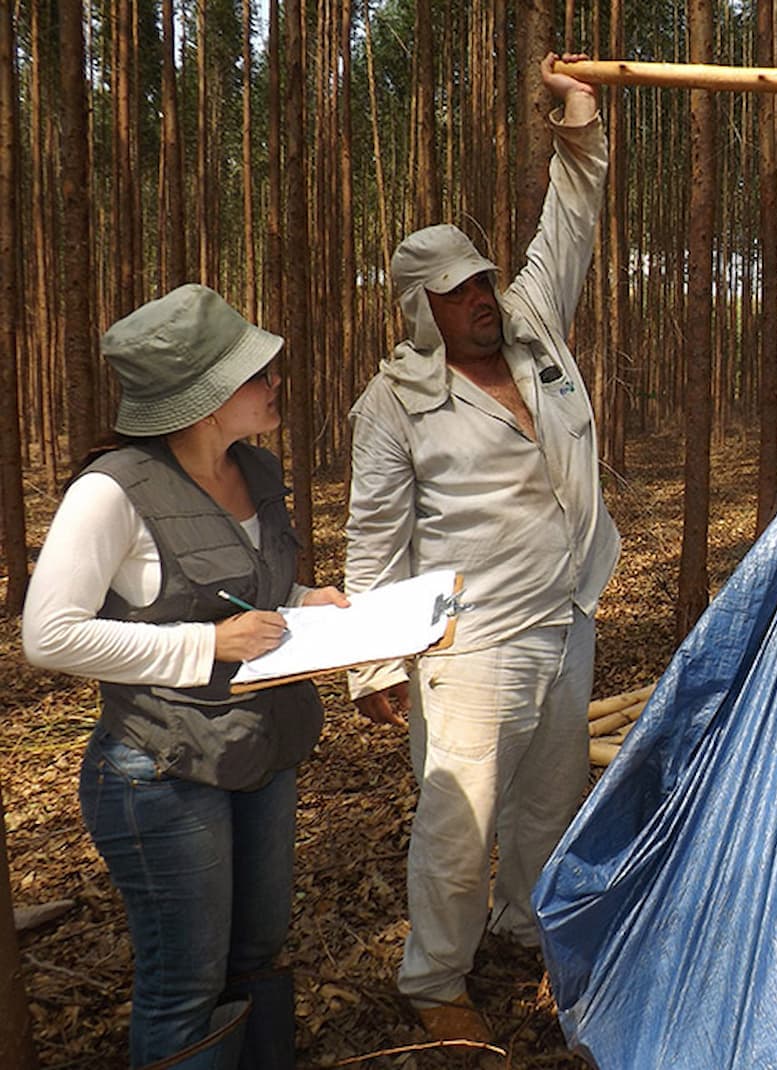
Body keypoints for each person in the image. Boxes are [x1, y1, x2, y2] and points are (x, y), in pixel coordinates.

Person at [343, 51, 618, 1047]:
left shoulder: (537, 329)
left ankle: (526, 929)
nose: (481, 299)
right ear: (421, 308)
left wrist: (579, 125)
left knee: (549, 805)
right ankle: (434, 977)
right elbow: (372, 533)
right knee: (459, 823)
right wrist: (373, 659)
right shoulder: (396, 401)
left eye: (483, 279)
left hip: (564, 618)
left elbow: (571, 220)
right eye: (457, 292)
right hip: (468, 645)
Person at [22, 284, 349, 1069]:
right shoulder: (112, 492)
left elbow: (244, 591)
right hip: (160, 771)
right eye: (256, 374)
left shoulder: (256, 471)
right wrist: (204, 646)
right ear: (206, 402)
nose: (275, 383)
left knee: (259, 955)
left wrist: (311, 601)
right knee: (184, 985)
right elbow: (48, 634)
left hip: (258, 752)